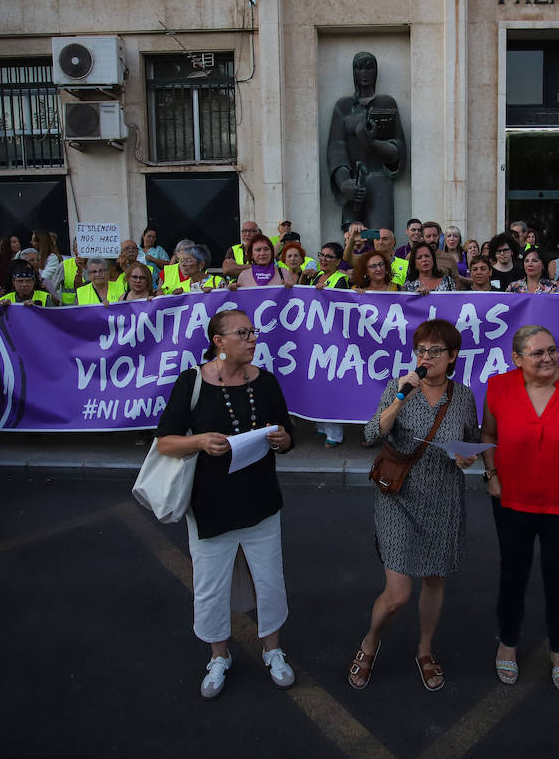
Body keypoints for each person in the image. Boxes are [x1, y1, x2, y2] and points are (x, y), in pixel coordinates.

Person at [150, 310, 296, 700]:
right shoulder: (192, 381)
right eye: (243, 333)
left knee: (269, 580)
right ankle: (219, 655)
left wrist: (283, 440)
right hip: (210, 505)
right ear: (219, 341)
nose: (252, 338)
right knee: (210, 587)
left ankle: (273, 649)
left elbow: (287, 432)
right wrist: (199, 441)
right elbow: (165, 441)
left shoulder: (266, 381)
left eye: (253, 331)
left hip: (260, 500)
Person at [349, 320, 482, 692]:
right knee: (397, 595)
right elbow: (371, 434)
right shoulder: (399, 386)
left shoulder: (463, 396)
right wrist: (400, 399)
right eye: (421, 350)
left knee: (434, 580)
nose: (426, 358)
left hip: (443, 498)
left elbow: (471, 440)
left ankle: (424, 649)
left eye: (435, 351)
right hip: (399, 497)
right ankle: (371, 641)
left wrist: (467, 458)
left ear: (452, 356)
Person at [479, 325, 559, 691]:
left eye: (552, 350)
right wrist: (491, 474)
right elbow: (489, 434)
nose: (548, 358)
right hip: (512, 501)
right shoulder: (498, 387)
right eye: (538, 353)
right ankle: (508, 642)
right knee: (513, 574)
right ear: (517, 358)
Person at [326, 52, 406, 231]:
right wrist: (344, 183)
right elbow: (336, 150)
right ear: (353, 72)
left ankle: (375, 248)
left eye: (369, 68)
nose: (364, 73)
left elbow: (398, 150)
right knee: (355, 238)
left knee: (379, 236)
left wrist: (372, 143)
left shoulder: (387, 103)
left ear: (376, 72)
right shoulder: (343, 106)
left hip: (379, 181)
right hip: (354, 180)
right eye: (359, 68)